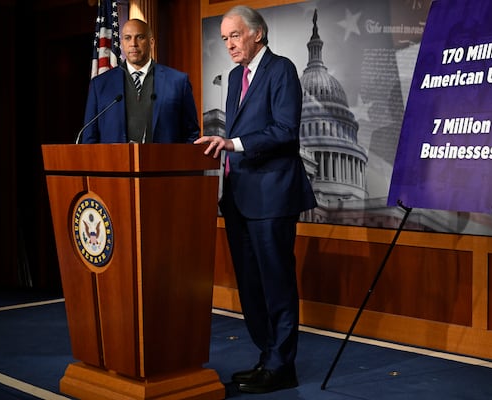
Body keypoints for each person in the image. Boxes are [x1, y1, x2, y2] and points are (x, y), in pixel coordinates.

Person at [194, 5, 317, 395]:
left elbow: (284, 131)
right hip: (238, 196)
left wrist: (233, 143)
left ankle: (283, 366)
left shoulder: (281, 70)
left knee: (275, 282)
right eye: (225, 38)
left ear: (257, 34)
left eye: (235, 35)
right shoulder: (234, 77)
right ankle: (268, 359)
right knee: (250, 285)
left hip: (273, 195)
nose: (229, 43)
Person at [79, 18, 199, 144]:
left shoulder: (178, 82)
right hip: (116, 162)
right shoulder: (100, 85)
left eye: (140, 37)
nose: (133, 44)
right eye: (127, 38)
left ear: (151, 42)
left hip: (164, 162)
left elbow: (191, 135)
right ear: (121, 43)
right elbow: (89, 138)